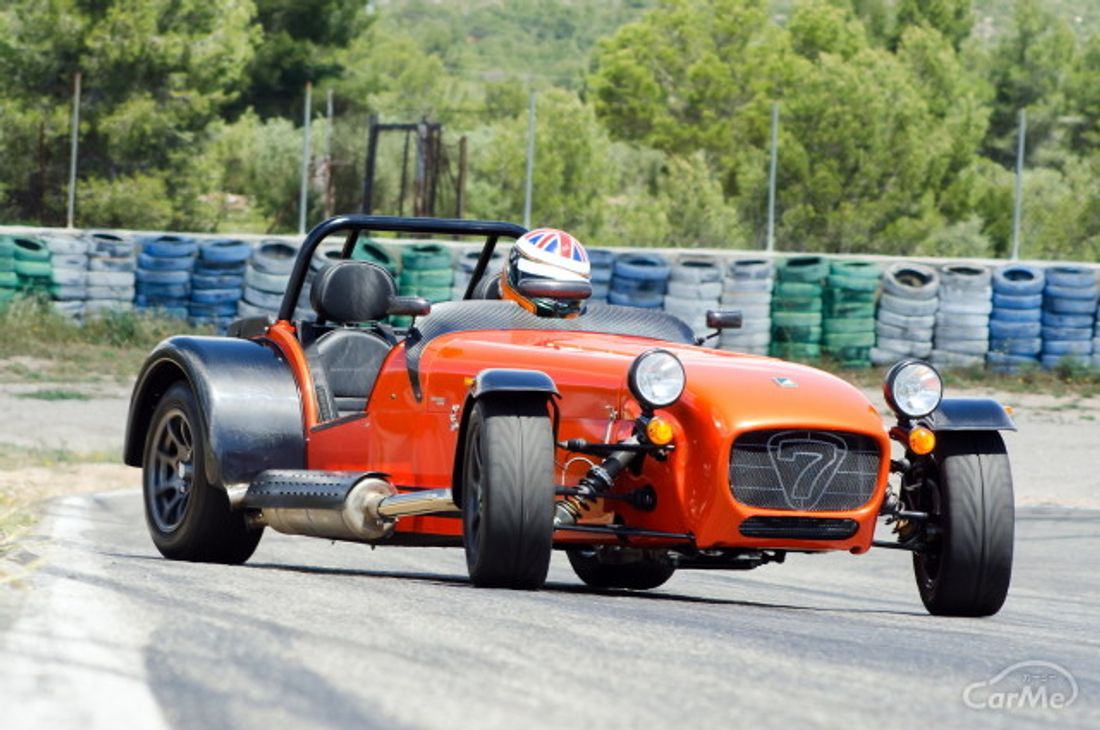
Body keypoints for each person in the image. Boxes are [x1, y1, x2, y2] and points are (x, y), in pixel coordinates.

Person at [497, 227, 591, 318]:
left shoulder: (584, 326)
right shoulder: (486, 323)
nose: (560, 306)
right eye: (546, 296)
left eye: (569, 298)